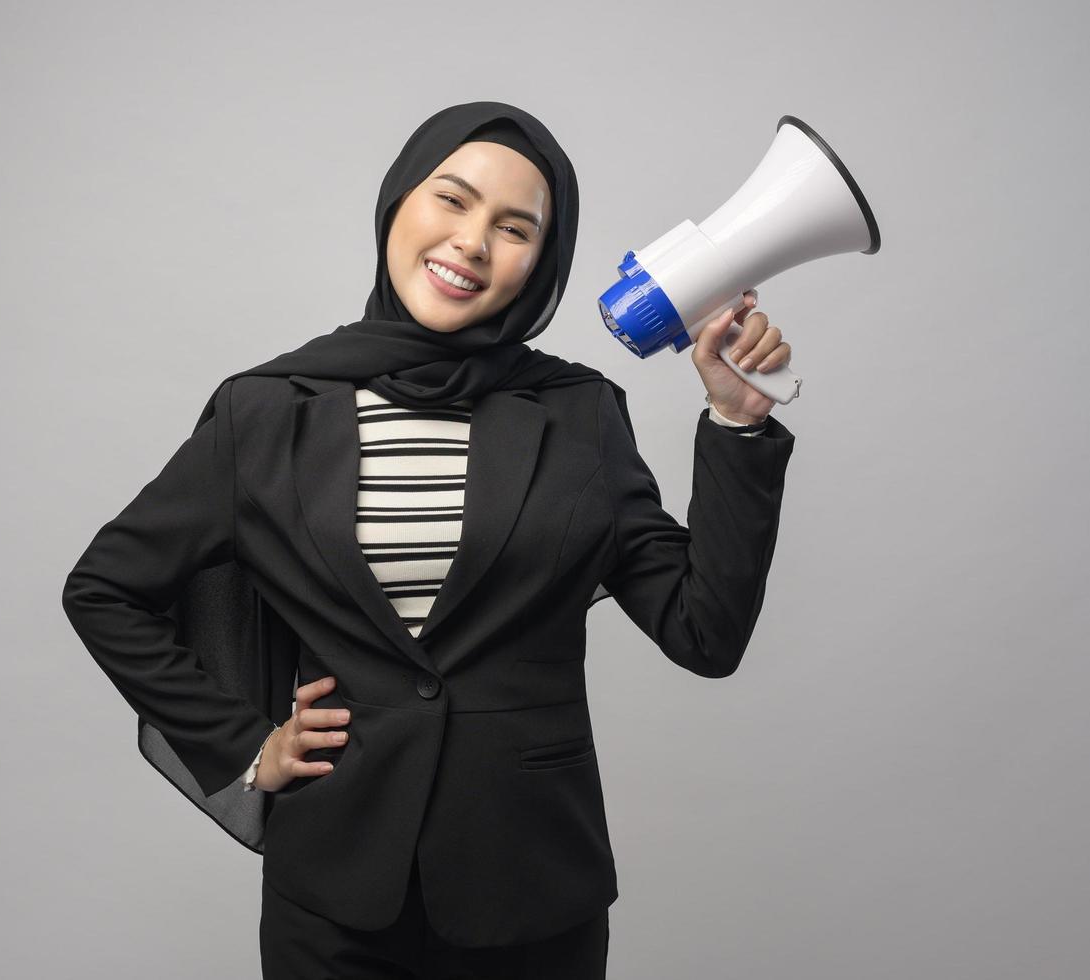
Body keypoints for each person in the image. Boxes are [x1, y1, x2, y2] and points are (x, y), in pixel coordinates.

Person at [62, 101, 795, 979]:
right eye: (450, 199)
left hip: (533, 891)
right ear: (396, 205)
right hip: (334, 895)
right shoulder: (265, 412)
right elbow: (104, 587)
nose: (472, 242)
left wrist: (736, 423)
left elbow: (703, 634)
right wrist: (244, 745)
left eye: (513, 226)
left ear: (540, 263)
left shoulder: (579, 413)